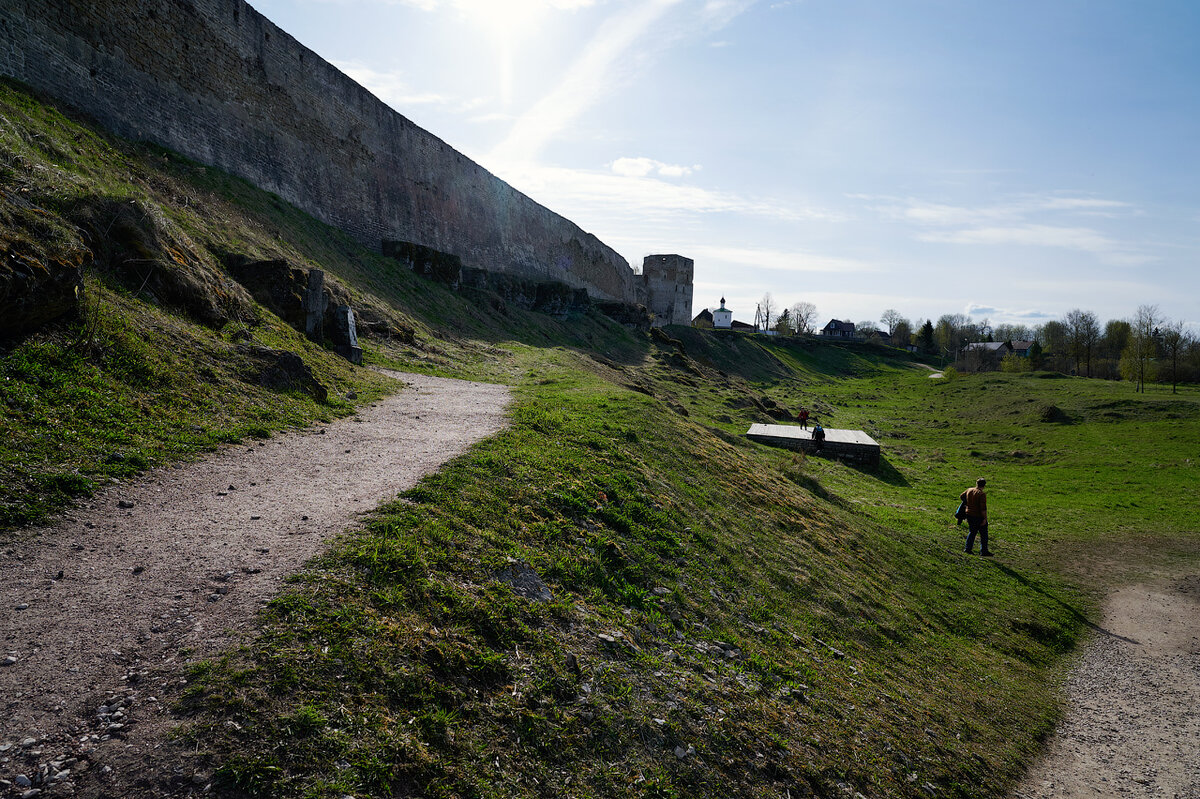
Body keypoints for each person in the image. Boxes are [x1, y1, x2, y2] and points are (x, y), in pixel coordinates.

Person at [960, 478, 991, 556]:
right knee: (984, 534)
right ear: (984, 485)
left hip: (969, 514)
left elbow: (961, 496)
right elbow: (983, 508)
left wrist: (967, 503)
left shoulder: (969, 490)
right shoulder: (981, 494)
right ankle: (984, 551)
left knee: (972, 532)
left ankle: (968, 548)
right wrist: (985, 518)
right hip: (978, 515)